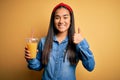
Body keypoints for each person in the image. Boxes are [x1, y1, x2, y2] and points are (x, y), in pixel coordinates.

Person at [25, 2, 95, 80]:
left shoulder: (77, 42)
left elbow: (90, 66)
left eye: (65, 17)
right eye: (57, 17)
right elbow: (38, 67)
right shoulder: (43, 42)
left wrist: (82, 43)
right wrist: (31, 59)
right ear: (53, 21)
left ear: (71, 20)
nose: (61, 21)